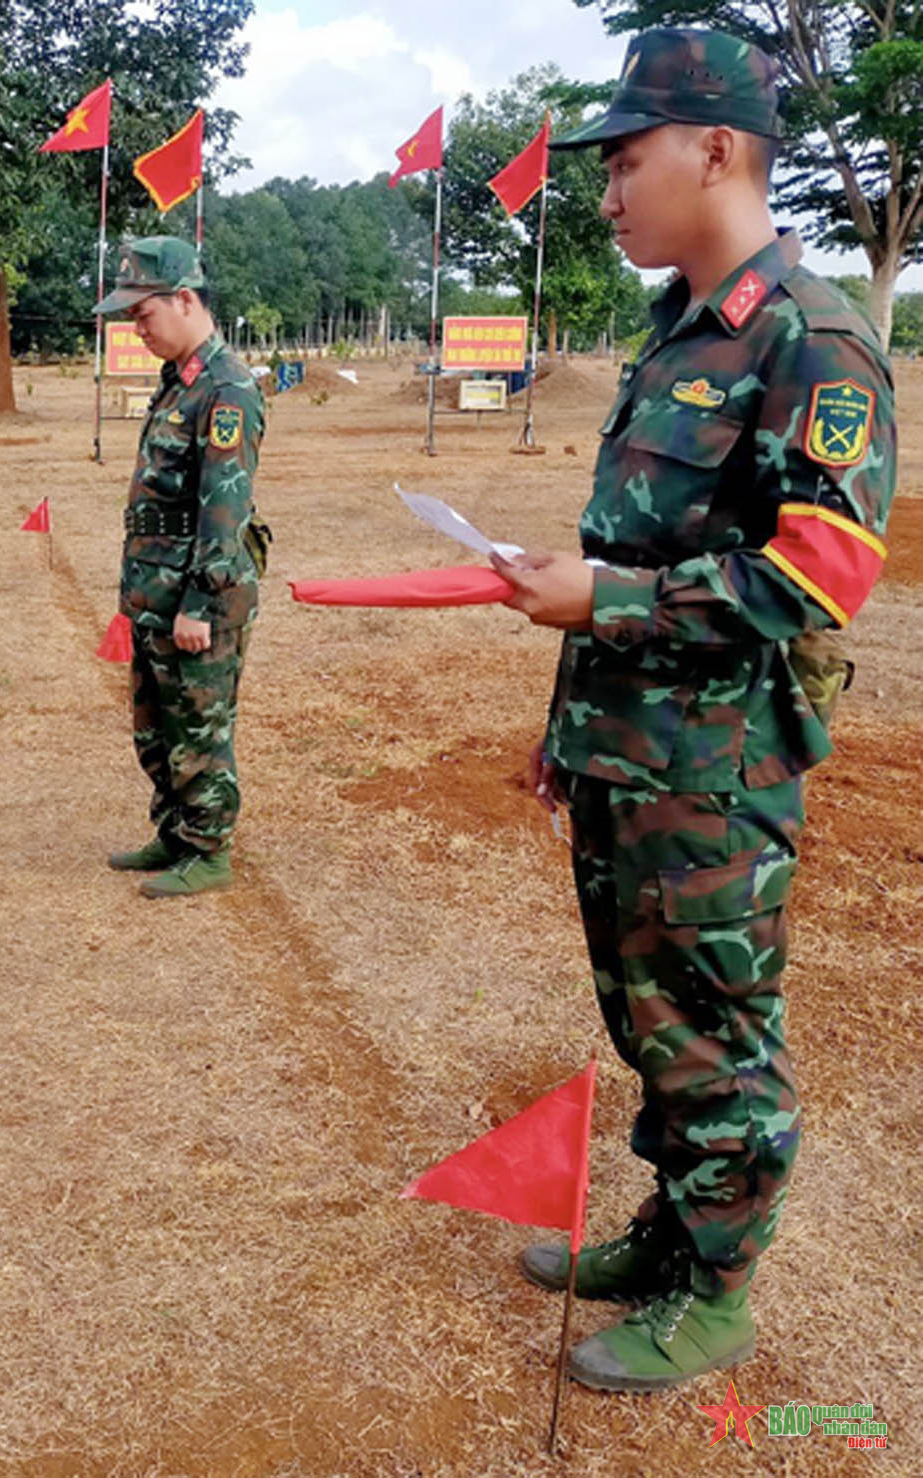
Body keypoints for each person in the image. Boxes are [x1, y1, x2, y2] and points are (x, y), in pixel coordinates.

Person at [494, 28, 897, 1392]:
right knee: (649, 1020)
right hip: (628, 754)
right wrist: (568, 722)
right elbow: (635, 541)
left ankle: (717, 1292)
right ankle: (673, 1234)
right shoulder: (678, 330)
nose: (606, 192)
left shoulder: (811, 338)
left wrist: (602, 600)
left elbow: (818, 577)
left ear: (716, 149)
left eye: (625, 161)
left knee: (715, 1034)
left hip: (714, 777)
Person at [98, 236, 268, 898]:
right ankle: (173, 833)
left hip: (198, 597)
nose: (137, 329)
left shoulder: (226, 391)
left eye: (144, 314)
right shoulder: (181, 383)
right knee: (157, 727)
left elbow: (224, 509)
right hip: (156, 593)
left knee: (199, 728)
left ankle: (208, 849)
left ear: (186, 300)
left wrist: (199, 602)